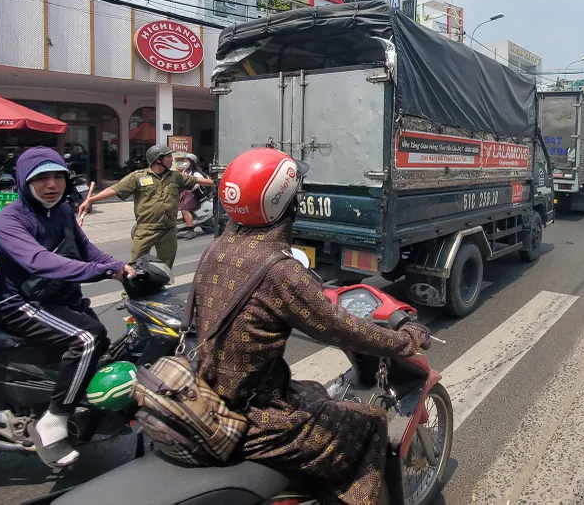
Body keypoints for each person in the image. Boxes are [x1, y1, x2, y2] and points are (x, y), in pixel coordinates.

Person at [192, 147, 431, 505]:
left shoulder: (217, 250)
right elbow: (341, 328)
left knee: (317, 390)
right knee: (370, 424)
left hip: (209, 393)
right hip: (253, 418)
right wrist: (405, 340)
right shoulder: (280, 270)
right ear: (285, 204)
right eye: (297, 195)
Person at [0, 147, 135, 468]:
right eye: (41, 178)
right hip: (22, 304)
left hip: (58, 299)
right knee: (88, 338)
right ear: (24, 181)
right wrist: (102, 272)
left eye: (59, 177)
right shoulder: (8, 221)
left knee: (105, 344)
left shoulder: (63, 211)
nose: (52, 185)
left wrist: (123, 267)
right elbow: (40, 262)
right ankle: (54, 420)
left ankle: (82, 407)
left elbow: (86, 250)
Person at [77, 144, 213, 267]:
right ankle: (135, 286)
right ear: (158, 160)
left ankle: (161, 285)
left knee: (166, 265)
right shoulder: (138, 177)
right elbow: (115, 189)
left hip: (169, 230)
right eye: (168, 157)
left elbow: (197, 180)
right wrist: (91, 199)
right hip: (146, 229)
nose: (172, 159)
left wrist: (218, 182)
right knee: (136, 265)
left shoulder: (175, 177)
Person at [176, 153, 210, 240]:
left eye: (186, 161)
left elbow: (196, 184)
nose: (184, 163)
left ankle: (191, 230)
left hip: (193, 195)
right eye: (184, 161)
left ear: (191, 162)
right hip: (184, 194)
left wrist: (186, 187)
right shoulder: (185, 171)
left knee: (185, 210)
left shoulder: (196, 173)